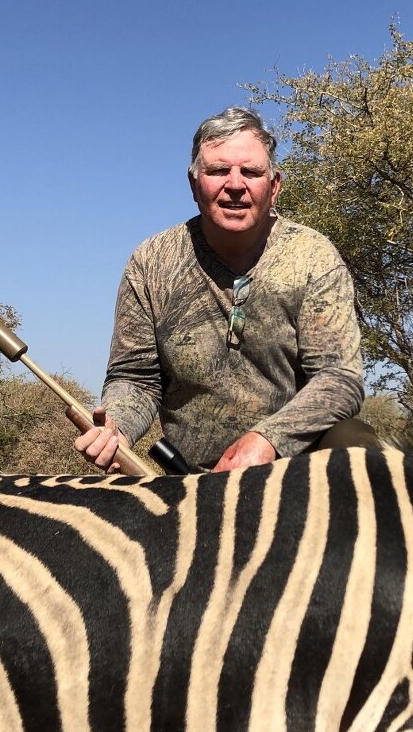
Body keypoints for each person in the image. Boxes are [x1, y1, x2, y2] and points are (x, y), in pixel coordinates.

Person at [76, 107, 372, 473]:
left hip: (293, 469)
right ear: (193, 184)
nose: (235, 184)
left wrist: (267, 439)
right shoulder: (150, 261)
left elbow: (338, 379)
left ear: (274, 185)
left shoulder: (314, 257)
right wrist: (117, 427)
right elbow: (134, 378)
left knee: (357, 442)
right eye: (218, 171)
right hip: (189, 474)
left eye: (250, 172)